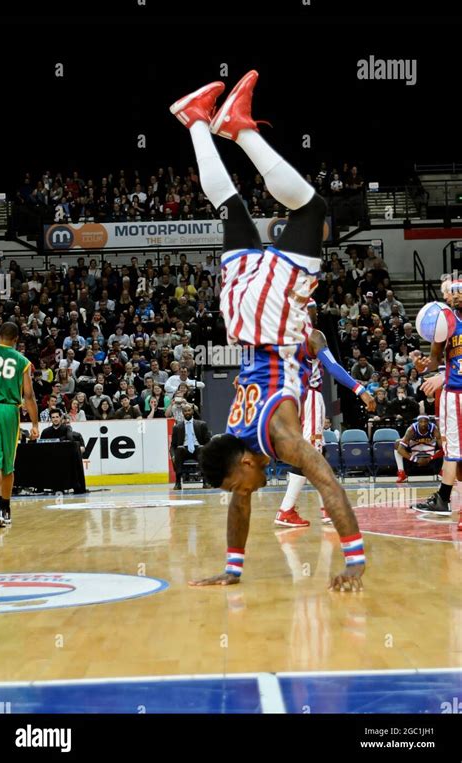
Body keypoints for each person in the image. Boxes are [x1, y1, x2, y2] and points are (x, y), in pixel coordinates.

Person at [170, 70, 366, 590]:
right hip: (240, 314)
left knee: (314, 209)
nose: (249, 489)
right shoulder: (239, 446)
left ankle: (239, 130)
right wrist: (231, 569)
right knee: (231, 209)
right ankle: (194, 119)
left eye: (242, 482)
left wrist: (354, 561)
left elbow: (328, 484)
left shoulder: (275, 438)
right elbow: (238, 503)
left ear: (240, 463)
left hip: (269, 320)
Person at [277, 299, 375, 525]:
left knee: (316, 453)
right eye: (312, 309)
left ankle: (326, 507)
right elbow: (332, 367)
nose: (316, 313)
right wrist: (359, 389)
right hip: (309, 397)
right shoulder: (314, 335)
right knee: (310, 454)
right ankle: (286, 509)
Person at [412, 280, 462, 520]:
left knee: (455, 450)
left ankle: (443, 498)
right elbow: (433, 359)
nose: (453, 297)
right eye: (451, 295)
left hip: (457, 392)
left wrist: (443, 376)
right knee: (453, 450)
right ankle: (445, 498)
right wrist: (424, 366)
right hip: (452, 394)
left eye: (457, 293)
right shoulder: (446, 324)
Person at [0, 322, 39, 528]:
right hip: (9, 411)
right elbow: (29, 395)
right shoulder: (22, 361)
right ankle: (6, 507)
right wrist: (35, 423)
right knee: (8, 463)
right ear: (16, 339)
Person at [170, 405, 211, 489]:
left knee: (201, 449)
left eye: (189, 410)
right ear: (182, 413)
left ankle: (205, 481)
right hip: (184, 450)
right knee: (179, 449)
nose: (187, 412)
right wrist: (173, 455)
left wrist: (207, 452)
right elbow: (173, 446)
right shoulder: (177, 427)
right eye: (185, 411)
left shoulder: (201, 424)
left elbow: (208, 442)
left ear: (192, 411)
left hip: (197, 449)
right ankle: (178, 482)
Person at [394, 415, 443, 483]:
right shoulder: (411, 429)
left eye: (425, 422)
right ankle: (401, 473)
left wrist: (430, 458)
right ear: (417, 422)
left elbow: (443, 448)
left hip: (430, 446)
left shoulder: (434, 428)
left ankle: (443, 472)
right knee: (397, 444)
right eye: (421, 422)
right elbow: (400, 450)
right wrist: (416, 460)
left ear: (428, 422)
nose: (423, 424)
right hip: (415, 447)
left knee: (447, 445)